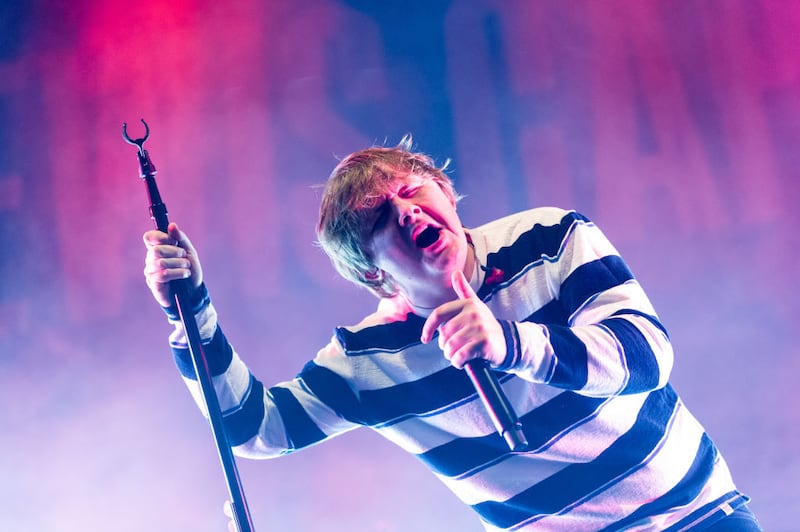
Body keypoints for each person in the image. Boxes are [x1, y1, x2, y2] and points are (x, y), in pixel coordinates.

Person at [143, 137, 760, 531]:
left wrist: (511, 343)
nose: (406, 210)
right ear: (371, 273)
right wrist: (190, 309)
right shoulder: (369, 361)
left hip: (696, 515)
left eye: (412, 191)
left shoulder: (548, 239)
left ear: (447, 194)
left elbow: (647, 354)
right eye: (382, 217)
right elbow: (255, 429)